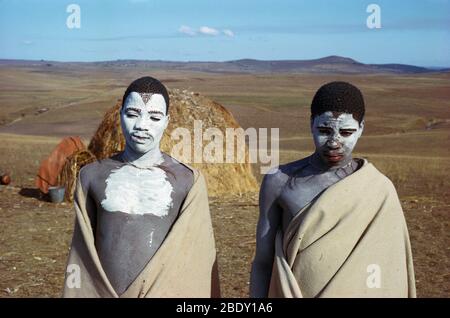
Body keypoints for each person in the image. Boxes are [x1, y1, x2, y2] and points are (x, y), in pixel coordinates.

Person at [250, 81, 416, 298]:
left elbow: (387, 266)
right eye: (324, 130)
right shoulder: (279, 181)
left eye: (346, 132)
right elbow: (263, 262)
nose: (334, 142)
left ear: (361, 128)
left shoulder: (378, 190)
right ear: (311, 124)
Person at [63, 76, 220, 298]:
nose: (141, 126)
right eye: (132, 114)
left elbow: (198, 256)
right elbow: (82, 252)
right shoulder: (92, 176)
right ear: (119, 116)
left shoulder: (187, 181)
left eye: (154, 117)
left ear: (166, 121)